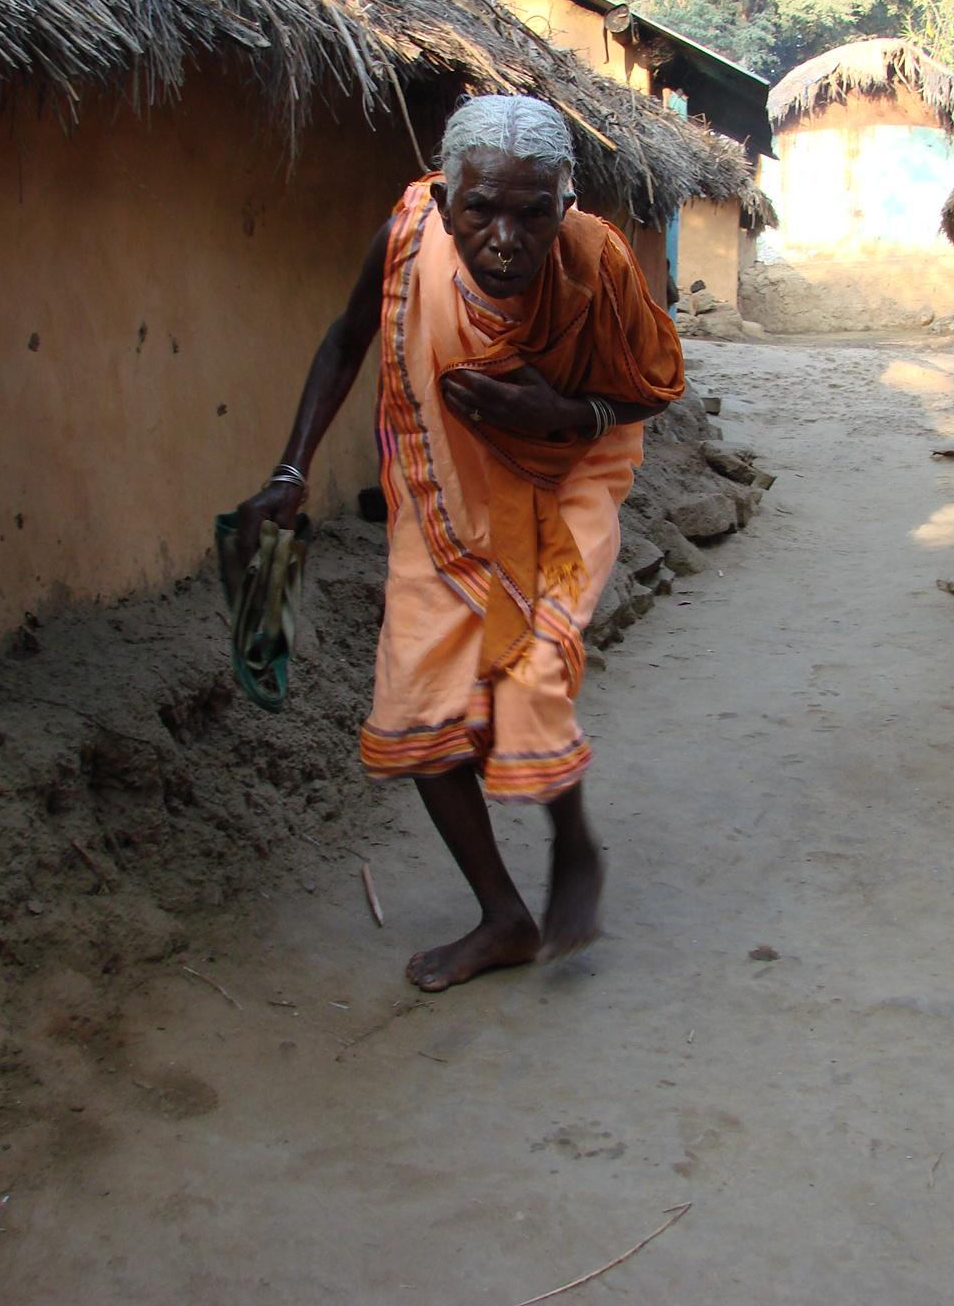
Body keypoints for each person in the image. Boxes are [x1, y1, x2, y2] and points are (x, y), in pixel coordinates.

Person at [235, 95, 684, 991]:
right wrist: (290, 471)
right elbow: (347, 340)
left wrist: (566, 413)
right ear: (445, 202)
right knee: (418, 707)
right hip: (445, 494)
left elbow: (655, 384)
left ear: (565, 204)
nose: (506, 240)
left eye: (533, 214)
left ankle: (572, 844)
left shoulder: (598, 261)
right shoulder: (406, 240)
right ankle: (504, 916)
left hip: (568, 481)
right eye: (480, 210)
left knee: (532, 674)